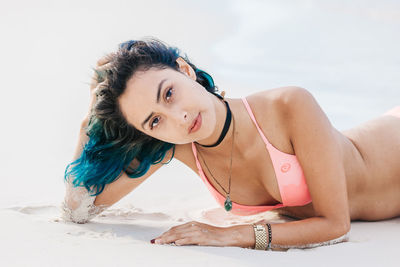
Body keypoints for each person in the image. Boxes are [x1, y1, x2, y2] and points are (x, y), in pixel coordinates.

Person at [62, 37, 400, 250]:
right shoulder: (175, 146)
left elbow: (335, 226)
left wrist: (230, 235)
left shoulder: (288, 106)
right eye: (154, 120)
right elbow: (78, 210)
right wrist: (88, 124)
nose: (177, 117)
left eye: (168, 93)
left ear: (185, 71)